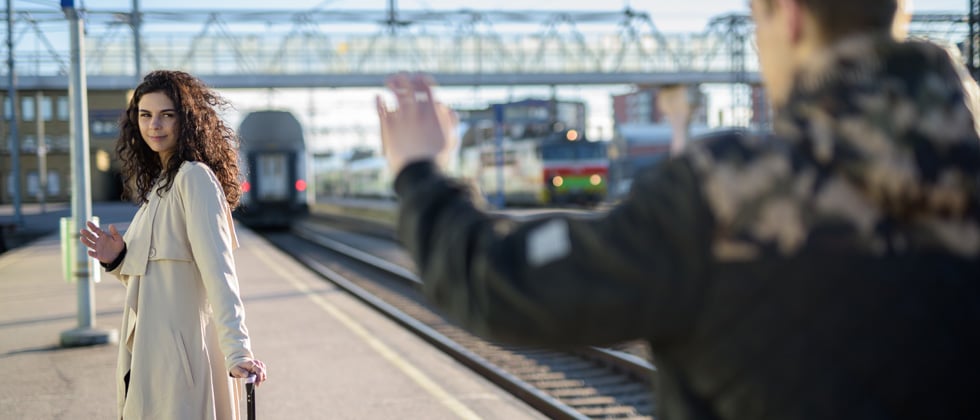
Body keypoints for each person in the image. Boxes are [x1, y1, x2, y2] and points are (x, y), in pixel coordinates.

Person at [376, 0, 980, 418]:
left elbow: (499, 282)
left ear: (788, 16)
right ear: (898, 15)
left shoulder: (724, 194)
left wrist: (420, 174)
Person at [79, 70, 267, 419]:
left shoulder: (193, 179)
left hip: (182, 361)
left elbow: (219, 270)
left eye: (167, 114)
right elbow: (155, 277)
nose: (155, 125)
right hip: (150, 352)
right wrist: (117, 260)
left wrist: (238, 351)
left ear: (188, 120)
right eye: (145, 115)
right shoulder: (160, 186)